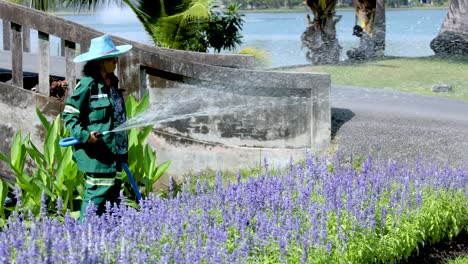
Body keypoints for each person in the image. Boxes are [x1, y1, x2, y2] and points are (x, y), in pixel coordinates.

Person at [62, 35, 132, 220]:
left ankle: (110, 241)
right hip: (98, 155)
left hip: (116, 153)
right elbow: (69, 114)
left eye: (116, 58)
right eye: (112, 59)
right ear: (100, 62)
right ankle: (83, 238)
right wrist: (85, 135)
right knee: (97, 198)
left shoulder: (113, 83)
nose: (116, 62)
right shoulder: (88, 85)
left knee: (113, 200)